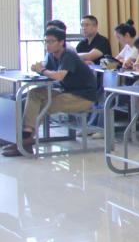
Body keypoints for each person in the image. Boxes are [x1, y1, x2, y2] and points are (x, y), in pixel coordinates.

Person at [4, 27, 99, 156]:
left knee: (42, 105)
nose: (47, 45)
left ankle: (25, 141)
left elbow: (58, 76)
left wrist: (42, 70)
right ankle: (25, 139)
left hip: (84, 97)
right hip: (67, 92)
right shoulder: (51, 55)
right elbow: (48, 72)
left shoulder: (69, 55)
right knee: (33, 94)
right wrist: (37, 69)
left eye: (51, 41)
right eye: (46, 41)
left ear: (61, 42)